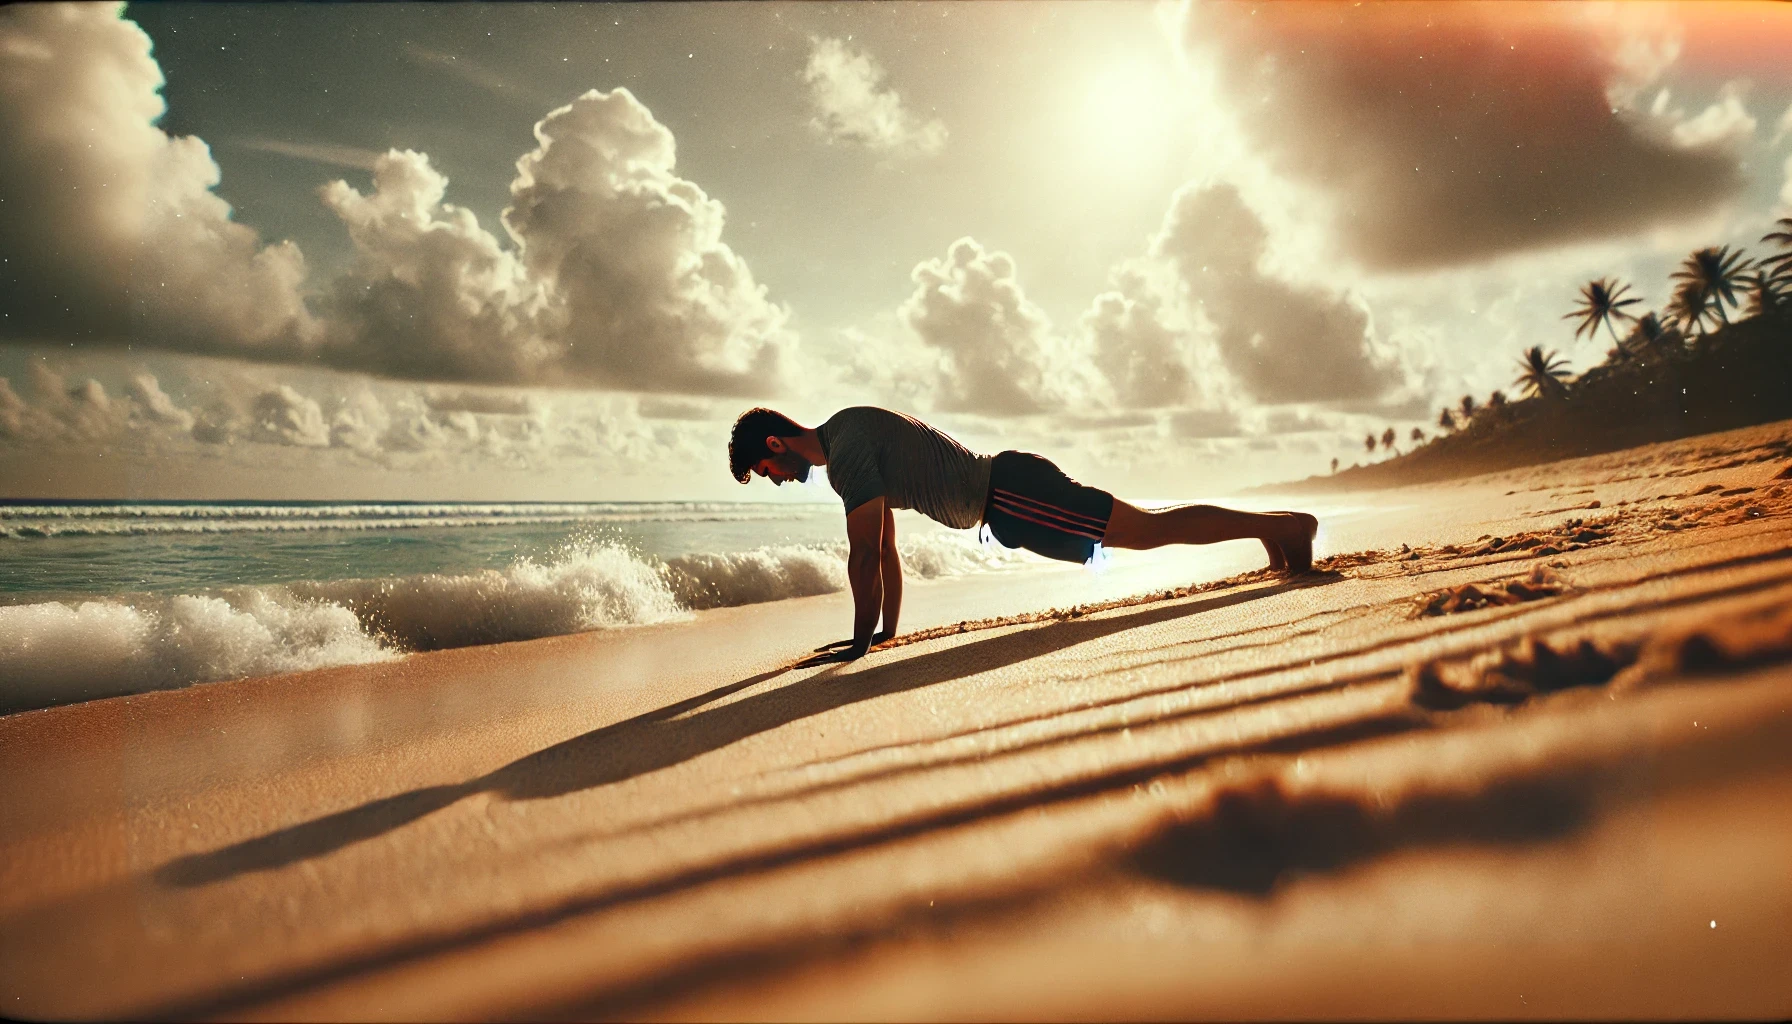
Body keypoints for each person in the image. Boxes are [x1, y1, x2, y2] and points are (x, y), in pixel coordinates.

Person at [729, 406, 1317, 663]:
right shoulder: (846, 435)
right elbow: (883, 546)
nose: (775, 481)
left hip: (1013, 496)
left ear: (774, 445)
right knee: (1145, 530)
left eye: (765, 471)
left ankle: (1284, 527)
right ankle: (1277, 530)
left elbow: (863, 557)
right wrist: (881, 634)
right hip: (1009, 497)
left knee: (1147, 531)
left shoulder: (848, 452)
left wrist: (858, 646)